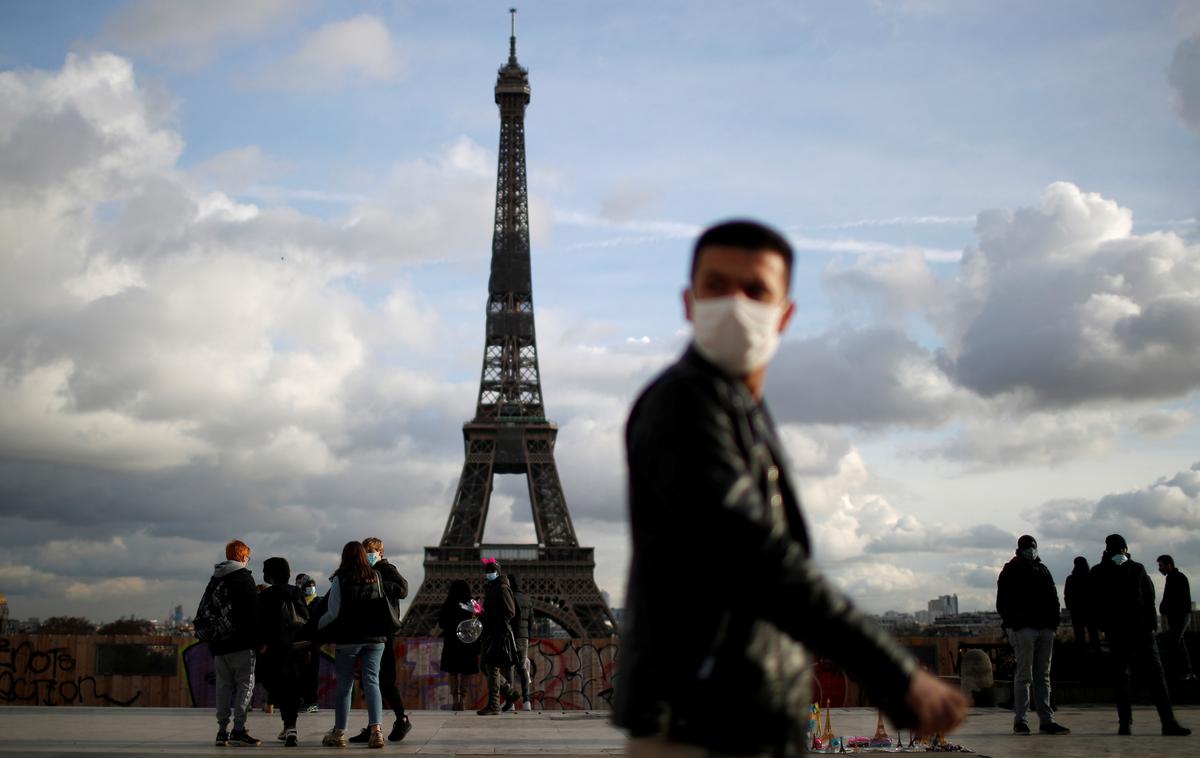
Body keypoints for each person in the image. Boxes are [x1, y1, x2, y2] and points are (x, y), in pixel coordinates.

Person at [613, 220, 967, 756]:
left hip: (733, 715)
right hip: (703, 723)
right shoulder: (684, 406)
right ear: (688, 302)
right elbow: (756, 556)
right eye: (717, 286)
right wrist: (895, 674)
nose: (734, 303)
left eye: (755, 290)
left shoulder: (738, 409)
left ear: (786, 313)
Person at [1090, 534, 1190, 736]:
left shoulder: (1120, 570)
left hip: (1133, 631)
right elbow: (1148, 596)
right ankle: (1159, 722)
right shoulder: (1123, 569)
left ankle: (1132, 723)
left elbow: (1146, 596)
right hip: (1129, 631)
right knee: (1146, 678)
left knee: (1131, 678)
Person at [317, 541, 397, 749]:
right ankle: (376, 731)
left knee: (344, 687)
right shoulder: (376, 576)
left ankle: (339, 733)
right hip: (376, 638)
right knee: (372, 683)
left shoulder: (340, 578)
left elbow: (333, 613)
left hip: (349, 639)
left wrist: (316, 627)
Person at [996, 535, 1070, 735]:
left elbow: (1053, 598)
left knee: (1040, 675)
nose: (1031, 550)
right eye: (1029, 547)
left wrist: (1052, 624)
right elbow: (1003, 602)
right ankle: (1022, 720)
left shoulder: (1040, 569)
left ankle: (1044, 720)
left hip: (1042, 627)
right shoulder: (1012, 570)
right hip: (1026, 628)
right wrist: (1016, 624)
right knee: (1026, 675)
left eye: (1032, 547)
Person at [346, 537, 413, 744]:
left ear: (380, 552)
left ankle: (401, 718)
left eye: (371, 551)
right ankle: (374, 726)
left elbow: (403, 589)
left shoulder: (386, 569)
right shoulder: (364, 572)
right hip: (370, 632)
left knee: (384, 680)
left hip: (384, 633)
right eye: (365, 552)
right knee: (371, 681)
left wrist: (379, 582)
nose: (368, 555)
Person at [209, 539, 263, 747]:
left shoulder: (216, 577)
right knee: (245, 685)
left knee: (223, 686)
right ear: (242, 556)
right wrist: (259, 640)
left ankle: (222, 730)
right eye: (247, 556)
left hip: (219, 642)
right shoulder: (242, 577)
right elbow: (253, 612)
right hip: (241, 642)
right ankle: (239, 729)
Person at [259, 557, 309, 747]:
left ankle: (288, 726)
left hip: (273, 651)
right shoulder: (296, 593)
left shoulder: (266, 596)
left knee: (278, 689)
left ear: (269, 575)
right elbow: (306, 620)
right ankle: (291, 726)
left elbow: (260, 623)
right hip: (295, 649)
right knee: (293, 689)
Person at [476, 558, 517, 716]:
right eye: (486, 571)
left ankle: (494, 705)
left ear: (498, 572)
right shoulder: (492, 587)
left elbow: (510, 612)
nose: (488, 574)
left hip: (498, 633)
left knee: (492, 667)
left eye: (491, 571)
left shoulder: (501, 587)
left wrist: (490, 617)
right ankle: (509, 691)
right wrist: (481, 613)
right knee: (484, 666)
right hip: (490, 632)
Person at [438, 579, 481, 711]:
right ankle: (463, 699)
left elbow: (441, 623)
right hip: (468, 643)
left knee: (453, 672)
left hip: (452, 643)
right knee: (466, 672)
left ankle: (455, 700)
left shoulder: (448, 603)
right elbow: (480, 623)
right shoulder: (473, 604)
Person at [1157, 555, 1195, 682]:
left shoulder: (1176, 578)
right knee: (1178, 642)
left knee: (1176, 642)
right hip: (1180, 615)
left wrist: (1165, 607)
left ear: (1169, 565)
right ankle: (1186, 671)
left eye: (1161, 565)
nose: (1159, 568)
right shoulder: (1175, 577)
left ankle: (1185, 671)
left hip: (1180, 615)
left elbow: (1173, 598)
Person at [503, 573, 533, 711]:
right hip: (523, 637)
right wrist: (526, 634)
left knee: (509, 667)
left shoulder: (509, 597)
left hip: (510, 636)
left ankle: (511, 702)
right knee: (522, 668)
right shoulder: (527, 599)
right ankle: (527, 700)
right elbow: (531, 621)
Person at [294, 573, 321, 712]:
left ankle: (312, 702)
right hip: (299, 643)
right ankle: (301, 700)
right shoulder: (298, 602)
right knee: (300, 674)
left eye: (312, 585)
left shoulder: (318, 602)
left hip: (313, 642)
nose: (311, 588)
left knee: (312, 673)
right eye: (307, 585)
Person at [1064, 556, 1100, 655]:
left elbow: (1067, 595)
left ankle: (1080, 653)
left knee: (1079, 635)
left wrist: (1070, 607)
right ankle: (1097, 653)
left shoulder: (1071, 579)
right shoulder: (1091, 578)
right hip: (1090, 611)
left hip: (1076, 611)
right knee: (1093, 634)